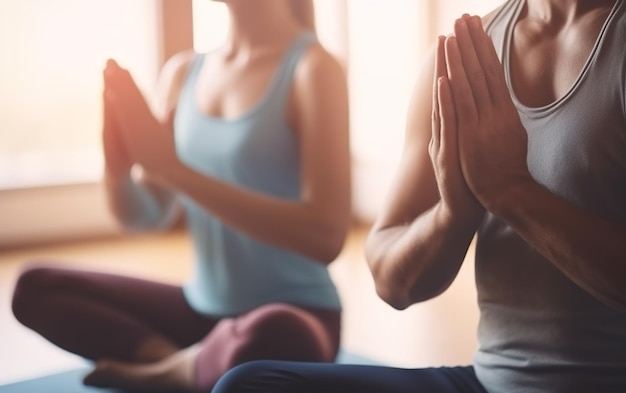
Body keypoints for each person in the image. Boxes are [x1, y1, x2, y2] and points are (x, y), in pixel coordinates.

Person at [209, 0, 626, 392]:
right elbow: (391, 279)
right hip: (488, 382)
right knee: (247, 384)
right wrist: (453, 213)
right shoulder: (465, 54)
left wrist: (510, 191)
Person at [11, 0, 351, 392]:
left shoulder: (314, 68)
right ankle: (173, 365)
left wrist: (173, 170)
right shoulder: (184, 72)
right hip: (198, 310)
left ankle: (183, 368)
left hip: (297, 315)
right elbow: (143, 216)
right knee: (34, 287)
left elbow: (325, 237)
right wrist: (118, 164)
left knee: (271, 334)